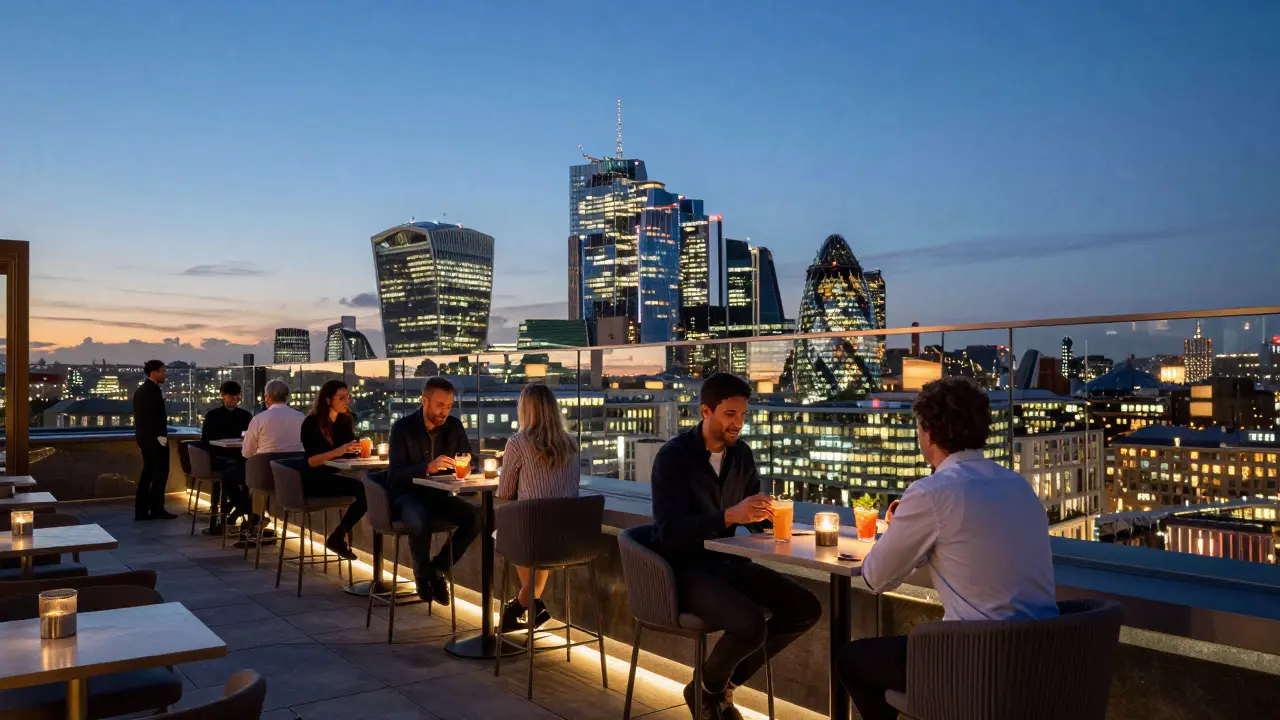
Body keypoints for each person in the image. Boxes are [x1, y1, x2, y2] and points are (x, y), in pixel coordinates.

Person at [836, 377, 1058, 720]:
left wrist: (903, 534)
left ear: (927, 432)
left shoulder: (932, 492)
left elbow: (875, 577)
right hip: (1044, 663)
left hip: (975, 667)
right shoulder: (1019, 485)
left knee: (853, 660)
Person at [651, 373, 821, 720]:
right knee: (750, 625)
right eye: (730, 414)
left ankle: (713, 686)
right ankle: (712, 692)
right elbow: (669, 533)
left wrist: (767, 518)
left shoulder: (741, 454)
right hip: (685, 570)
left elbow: (751, 514)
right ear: (705, 411)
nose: (738, 423)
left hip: (729, 563)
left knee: (805, 608)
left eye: (743, 415)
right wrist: (729, 516)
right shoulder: (673, 457)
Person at [386, 377, 482, 606]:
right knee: (420, 519)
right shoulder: (402, 428)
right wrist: (427, 468)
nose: (444, 412)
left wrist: (468, 466)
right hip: (407, 496)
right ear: (424, 401)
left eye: (449, 406)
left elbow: (469, 459)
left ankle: (438, 568)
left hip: (439, 495)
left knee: (478, 516)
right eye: (440, 405)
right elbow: (394, 474)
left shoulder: (454, 426)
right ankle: (422, 576)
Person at [497, 383, 581, 632]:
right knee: (535, 536)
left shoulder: (517, 443)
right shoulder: (571, 444)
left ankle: (519, 609)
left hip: (535, 538)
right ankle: (528, 609)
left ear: (525, 410)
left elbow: (505, 493)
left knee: (509, 531)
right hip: (571, 539)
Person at [300, 380, 369, 560]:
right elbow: (312, 461)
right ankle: (338, 536)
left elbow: (346, 453)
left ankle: (338, 536)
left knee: (371, 487)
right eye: (341, 398)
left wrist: (355, 450)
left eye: (348, 397)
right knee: (364, 490)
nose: (347, 401)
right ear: (328, 400)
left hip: (338, 475)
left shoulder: (343, 421)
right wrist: (340, 451)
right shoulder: (311, 423)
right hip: (316, 479)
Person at [240, 378, 306, 535]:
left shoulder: (259, 419)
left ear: (267, 397)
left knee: (237, 476)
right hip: (293, 479)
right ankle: (257, 520)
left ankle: (254, 520)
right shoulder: (301, 418)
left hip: (264, 479)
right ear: (287, 397)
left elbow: (246, 453)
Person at [199, 380, 252, 535]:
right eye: (231, 395)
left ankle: (236, 509)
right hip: (220, 457)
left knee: (246, 473)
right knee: (235, 473)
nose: (234, 399)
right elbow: (206, 441)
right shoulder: (213, 416)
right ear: (223, 396)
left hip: (238, 456)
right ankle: (243, 510)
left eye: (236, 396)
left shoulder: (245, 415)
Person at [133, 359, 177, 521]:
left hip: (146, 438)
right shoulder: (151, 391)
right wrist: (161, 438)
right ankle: (156, 509)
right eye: (162, 372)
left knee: (148, 474)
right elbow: (154, 418)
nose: (164, 375)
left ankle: (143, 510)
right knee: (159, 474)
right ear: (154, 373)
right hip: (155, 440)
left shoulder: (142, 390)